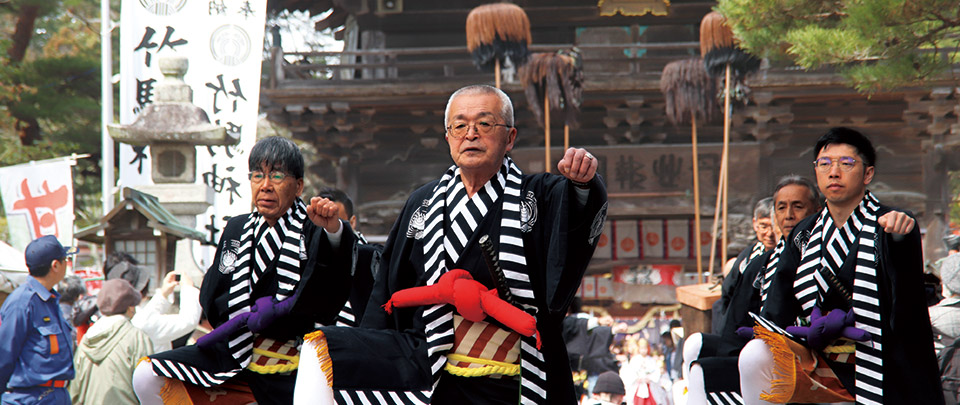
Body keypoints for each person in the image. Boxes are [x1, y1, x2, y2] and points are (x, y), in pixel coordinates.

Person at [294, 84, 608, 404]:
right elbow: (385, 274)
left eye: (484, 124)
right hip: (431, 369)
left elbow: (574, 222)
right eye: (459, 125)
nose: (470, 134)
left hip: (514, 379)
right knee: (324, 347)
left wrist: (581, 183)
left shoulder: (539, 195)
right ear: (448, 138)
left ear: (510, 137)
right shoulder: (423, 202)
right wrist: (336, 234)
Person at [132, 135, 358, 405]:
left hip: (296, 363)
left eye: (276, 176)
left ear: (298, 186)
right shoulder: (237, 229)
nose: (265, 186)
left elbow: (327, 295)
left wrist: (334, 232)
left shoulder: (314, 228)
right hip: (234, 353)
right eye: (257, 176)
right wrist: (250, 315)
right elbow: (212, 295)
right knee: (146, 375)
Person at [738, 127, 942, 404]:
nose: (834, 172)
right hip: (813, 357)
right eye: (825, 164)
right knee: (755, 352)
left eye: (846, 163)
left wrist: (901, 234)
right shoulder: (804, 232)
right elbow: (779, 304)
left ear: (868, 174)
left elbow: (906, 308)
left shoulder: (890, 223)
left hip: (874, 361)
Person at [0, 235, 77, 404]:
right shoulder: (22, 303)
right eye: (65, 260)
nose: (67, 264)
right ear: (55, 265)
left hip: (55, 395)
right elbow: (4, 356)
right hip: (30, 397)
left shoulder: (50, 300)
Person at [69, 278, 153, 404]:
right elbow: (148, 386)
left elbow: (74, 390)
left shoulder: (87, 339)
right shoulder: (136, 337)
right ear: (130, 307)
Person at [317, 186, 383, 325]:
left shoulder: (371, 258)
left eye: (336, 221)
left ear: (352, 222)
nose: (329, 226)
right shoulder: (311, 254)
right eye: (322, 222)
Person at [713, 197, 776, 334]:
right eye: (764, 226)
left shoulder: (785, 255)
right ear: (755, 224)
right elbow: (728, 293)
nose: (769, 234)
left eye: (773, 226)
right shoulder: (747, 256)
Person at [131, 270, 202, 352]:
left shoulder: (130, 318)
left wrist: (164, 293)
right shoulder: (142, 323)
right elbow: (188, 320)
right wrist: (188, 288)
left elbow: (149, 314)